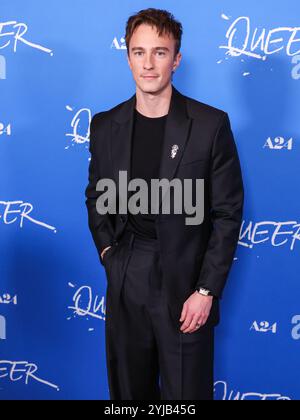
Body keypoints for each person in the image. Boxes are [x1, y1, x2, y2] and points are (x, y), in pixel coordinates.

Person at [85, 8, 244, 400]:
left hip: (185, 281)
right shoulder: (106, 125)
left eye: (159, 52)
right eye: (139, 52)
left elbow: (227, 213)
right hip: (127, 272)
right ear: (127, 58)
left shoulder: (209, 124)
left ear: (176, 59)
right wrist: (110, 254)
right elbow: (96, 196)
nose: (148, 63)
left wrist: (206, 290)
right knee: (128, 395)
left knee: (186, 396)